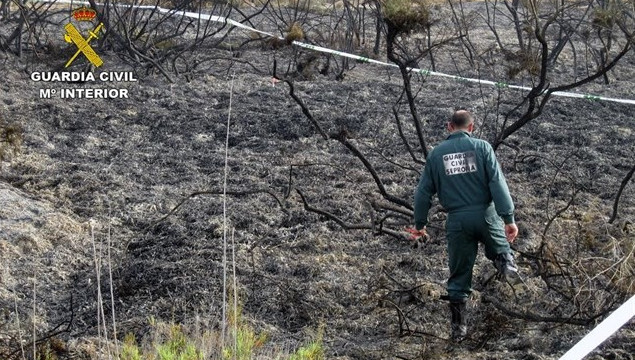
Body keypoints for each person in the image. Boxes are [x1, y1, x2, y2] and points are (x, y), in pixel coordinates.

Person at [409, 109, 519, 341]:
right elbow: (497, 183)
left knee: (459, 277)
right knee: (499, 246)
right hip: (485, 215)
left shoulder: (437, 154)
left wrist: (420, 224)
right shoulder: (482, 148)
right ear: (471, 127)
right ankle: (504, 260)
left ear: (449, 127)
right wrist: (508, 218)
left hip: (457, 221)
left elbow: (422, 193)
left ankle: (459, 329)